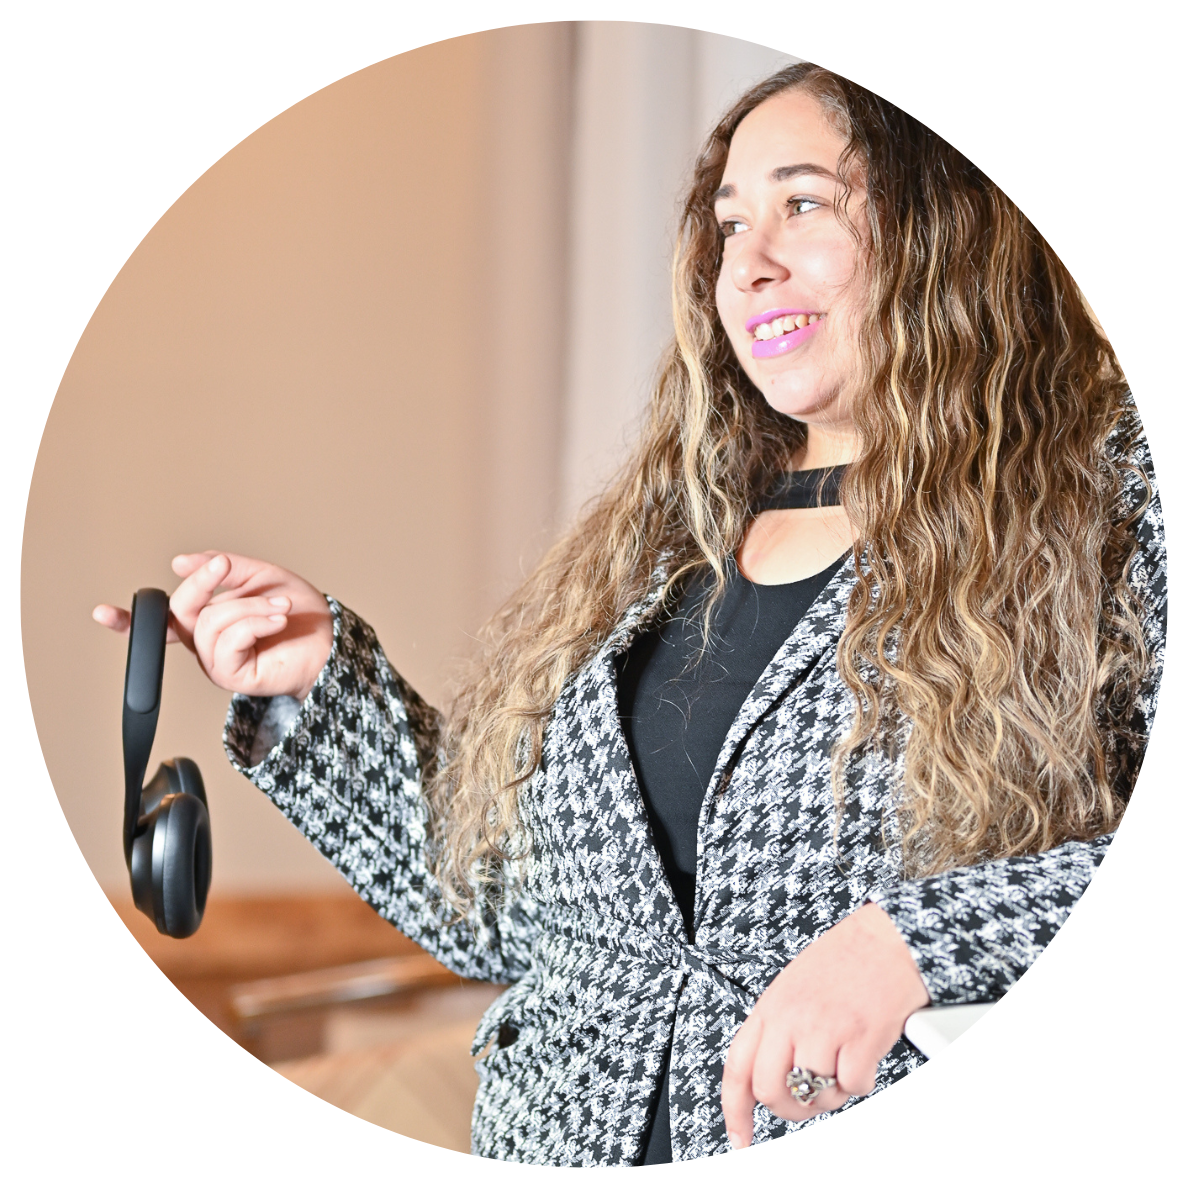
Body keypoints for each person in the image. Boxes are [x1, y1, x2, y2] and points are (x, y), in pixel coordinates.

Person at [94, 62, 1165, 1165]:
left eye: (803, 204)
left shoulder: (1106, 501)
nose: (747, 264)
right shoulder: (668, 538)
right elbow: (508, 917)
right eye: (729, 225)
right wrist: (318, 688)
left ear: (943, 229)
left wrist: (913, 943)